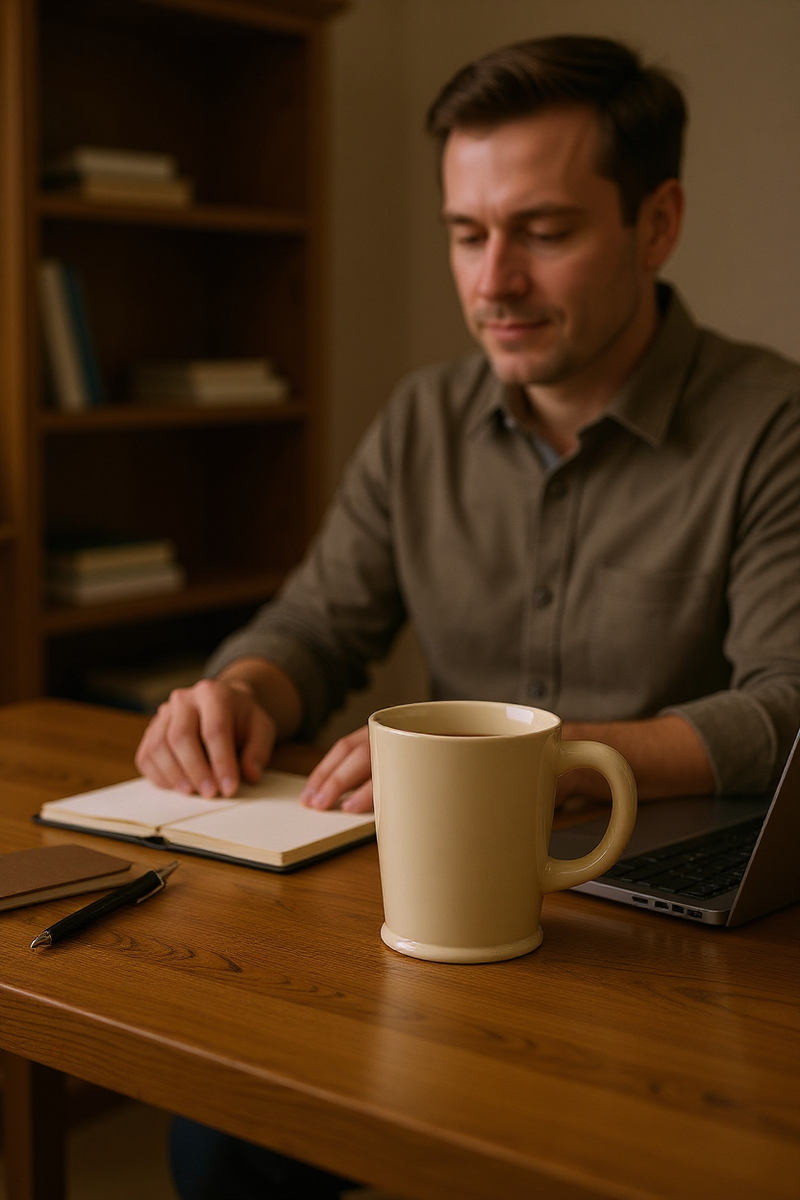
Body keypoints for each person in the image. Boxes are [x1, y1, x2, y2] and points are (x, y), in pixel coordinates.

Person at [142, 36, 800, 1196]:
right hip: (426, 926)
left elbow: (787, 703)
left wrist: (560, 763)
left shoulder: (771, 425)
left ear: (655, 224)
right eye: (464, 233)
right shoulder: (419, 422)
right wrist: (235, 692)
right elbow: (315, 624)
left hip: (671, 958)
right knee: (218, 1131)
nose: (491, 282)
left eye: (542, 233)